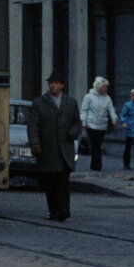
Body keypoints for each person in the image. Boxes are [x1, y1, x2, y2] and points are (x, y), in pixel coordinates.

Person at [26, 71, 82, 222]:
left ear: (62, 86)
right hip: (47, 150)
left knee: (63, 181)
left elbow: (77, 123)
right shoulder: (39, 102)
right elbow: (33, 126)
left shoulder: (71, 103)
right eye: (51, 83)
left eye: (56, 83)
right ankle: (53, 210)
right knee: (50, 183)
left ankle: (64, 209)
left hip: (65, 150)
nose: (53, 85)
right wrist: (35, 144)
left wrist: (74, 132)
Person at [80, 76, 116, 171]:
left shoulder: (107, 98)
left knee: (97, 145)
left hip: (102, 125)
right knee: (95, 144)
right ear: (99, 87)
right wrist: (83, 121)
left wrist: (114, 118)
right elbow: (84, 109)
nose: (106, 88)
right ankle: (97, 165)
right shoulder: (89, 97)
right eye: (104, 86)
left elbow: (111, 109)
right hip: (91, 124)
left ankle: (94, 164)